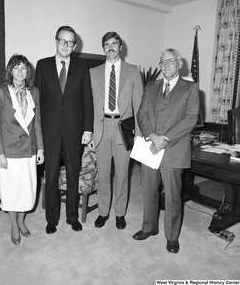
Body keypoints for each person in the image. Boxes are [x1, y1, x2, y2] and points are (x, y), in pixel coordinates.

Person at [133, 48, 199, 253]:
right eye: (162, 62)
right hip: (150, 148)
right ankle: (149, 228)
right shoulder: (151, 86)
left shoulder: (190, 87)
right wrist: (152, 136)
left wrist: (164, 139)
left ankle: (171, 237)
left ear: (180, 63)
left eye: (171, 61)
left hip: (174, 149)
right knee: (149, 191)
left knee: (172, 195)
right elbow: (141, 114)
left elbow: (190, 119)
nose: (166, 65)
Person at [34, 26, 94, 234]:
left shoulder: (82, 67)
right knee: (50, 177)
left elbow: (87, 100)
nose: (66, 45)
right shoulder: (42, 65)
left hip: (74, 130)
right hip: (50, 131)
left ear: (75, 45)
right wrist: (37, 132)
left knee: (72, 175)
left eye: (70, 42)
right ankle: (51, 219)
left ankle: (72, 217)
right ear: (56, 41)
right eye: (62, 41)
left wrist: (88, 129)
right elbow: (37, 101)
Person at [89, 31, 143, 230]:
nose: (110, 47)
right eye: (106, 44)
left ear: (121, 47)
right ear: (103, 48)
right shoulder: (93, 73)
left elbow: (139, 105)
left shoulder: (133, 71)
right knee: (103, 175)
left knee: (122, 175)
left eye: (114, 44)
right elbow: (89, 104)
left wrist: (139, 133)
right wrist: (90, 131)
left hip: (124, 129)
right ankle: (103, 212)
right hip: (101, 128)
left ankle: (120, 213)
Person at [0, 54, 44, 245]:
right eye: (16, 68)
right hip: (9, 152)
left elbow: (37, 122)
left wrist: (41, 149)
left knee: (27, 189)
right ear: (10, 71)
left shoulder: (34, 91)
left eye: (24, 68)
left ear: (28, 71)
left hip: (29, 150)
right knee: (11, 190)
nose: (21, 71)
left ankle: (21, 220)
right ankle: (13, 223)